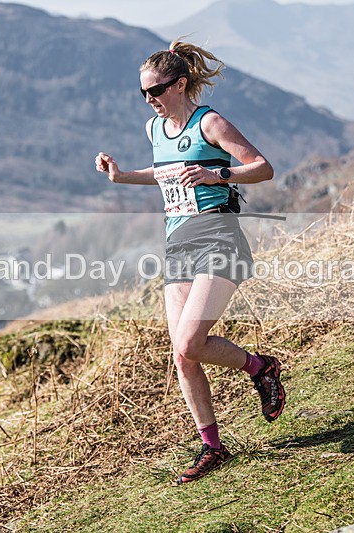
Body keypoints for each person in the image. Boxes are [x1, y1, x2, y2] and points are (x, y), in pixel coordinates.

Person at [95, 40, 285, 485]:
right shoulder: (153, 130)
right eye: (143, 93)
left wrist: (218, 174)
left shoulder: (210, 122)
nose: (150, 100)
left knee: (190, 342)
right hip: (178, 244)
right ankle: (213, 448)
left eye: (156, 90)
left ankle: (261, 368)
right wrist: (122, 176)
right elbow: (164, 174)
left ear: (180, 84)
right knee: (183, 355)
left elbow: (262, 167)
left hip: (219, 236)